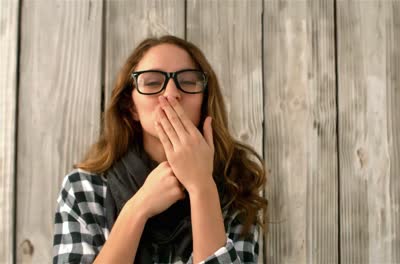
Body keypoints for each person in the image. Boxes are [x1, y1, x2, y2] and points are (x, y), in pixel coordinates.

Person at [52, 35, 268, 264]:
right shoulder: (83, 189)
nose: (171, 93)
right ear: (131, 107)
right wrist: (138, 207)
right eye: (153, 82)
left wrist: (202, 187)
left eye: (188, 81)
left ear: (203, 102)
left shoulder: (236, 192)